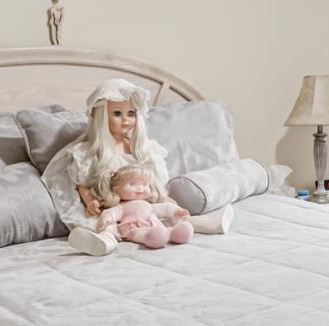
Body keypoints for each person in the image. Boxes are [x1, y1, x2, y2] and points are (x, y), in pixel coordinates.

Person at [44, 77, 231, 255]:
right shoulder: (88, 152)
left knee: (169, 206)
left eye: (131, 113)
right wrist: (90, 202)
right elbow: (83, 185)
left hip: (146, 205)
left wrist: (163, 199)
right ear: (100, 117)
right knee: (107, 224)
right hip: (115, 209)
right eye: (117, 114)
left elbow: (155, 185)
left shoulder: (142, 149)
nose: (126, 119)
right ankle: (105, 241)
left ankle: (197, 223)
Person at [94, 165, 193, 249]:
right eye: (132, 184)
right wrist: (105, 221)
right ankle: (149, 238)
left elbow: (164, 208)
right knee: (142, 235)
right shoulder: (121, 207)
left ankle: (175, 234)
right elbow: (110, 213)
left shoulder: (148, 204)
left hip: (155, 226)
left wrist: (177, 211)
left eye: (145, 184)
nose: (140, 188)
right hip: (133, 229)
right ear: (115, 189)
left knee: (164, 230)